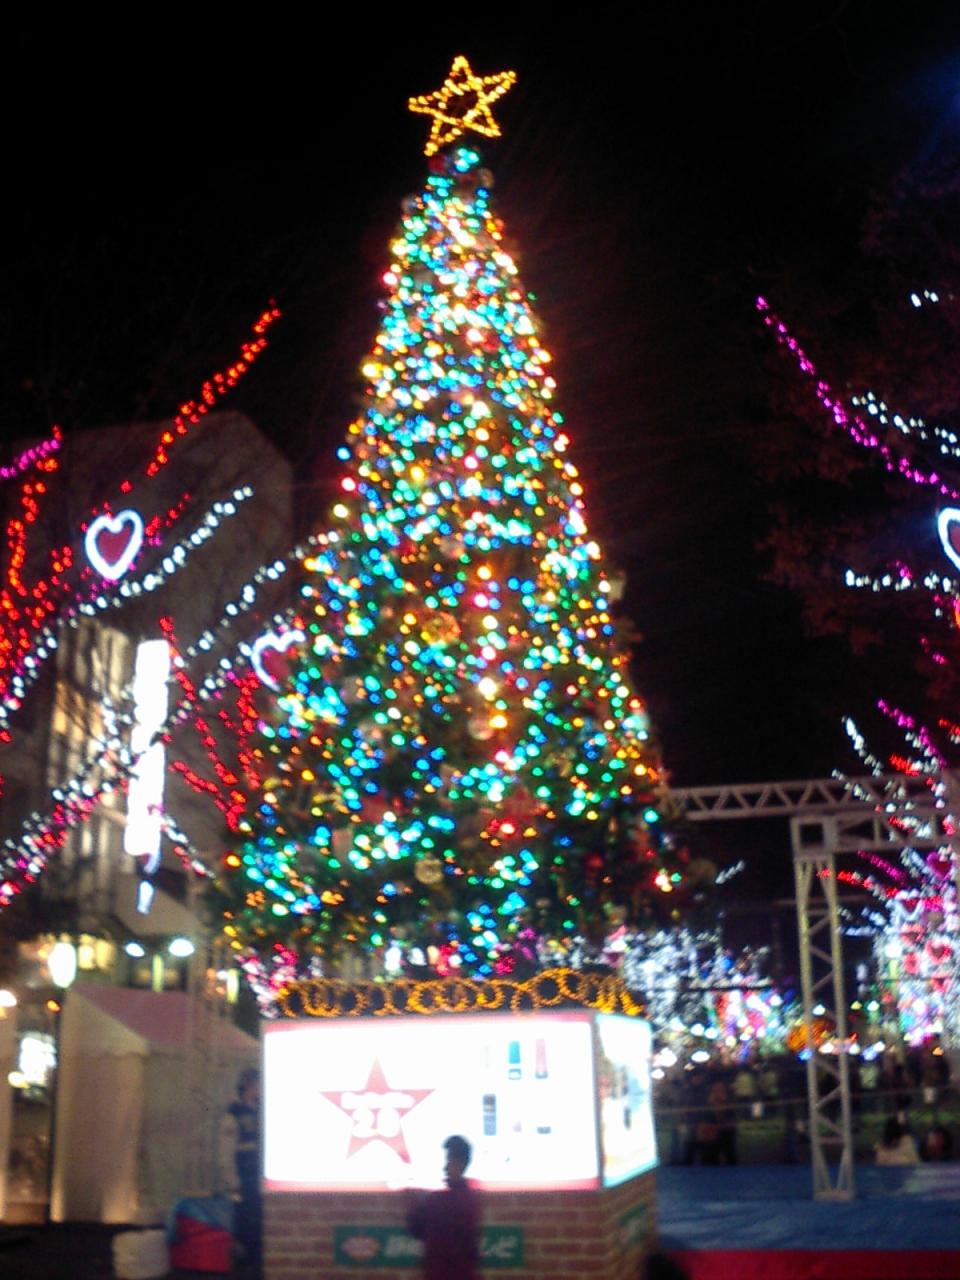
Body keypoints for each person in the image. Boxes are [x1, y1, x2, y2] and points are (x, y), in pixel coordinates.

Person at [406, 1134, 481, 1280]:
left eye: (449, 1161)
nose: (445, 1168)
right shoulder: (469, 1199)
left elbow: (415, 1227)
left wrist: (416, 1200)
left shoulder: (440, 1201)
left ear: (459, 1163)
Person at [220, 1067, 262, 1277]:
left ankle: (256, 1262)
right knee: (244, 1221)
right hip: (244, 1176)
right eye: (257, 1084)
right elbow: (226, 1152)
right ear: (247, 1084)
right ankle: (244, 1264)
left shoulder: (260, 1110)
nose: (260, 1089)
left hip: (259, 1176)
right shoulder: (233, 1113)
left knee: (258, 1220)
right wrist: (232, 1181)